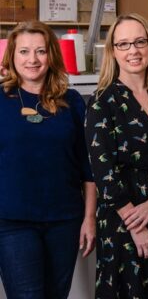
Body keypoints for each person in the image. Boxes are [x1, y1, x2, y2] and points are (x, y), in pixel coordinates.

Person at [85, 13, 148, 299]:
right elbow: (103, 173)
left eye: (140, 42)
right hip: (122, 223)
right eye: (124, 44)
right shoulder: (102, 102)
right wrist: (136, 226)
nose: (134, 51)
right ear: (113, 52)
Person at [0, 21, 96, 298]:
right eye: (24, 52)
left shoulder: (72, 101)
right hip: (12, 222)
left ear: (51, 55)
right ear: (12, 57)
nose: (32, 59)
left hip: (64, 221)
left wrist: (89, 217)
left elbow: (87, 167)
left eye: (40, 51)